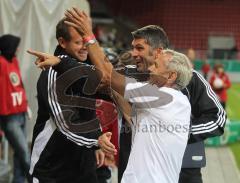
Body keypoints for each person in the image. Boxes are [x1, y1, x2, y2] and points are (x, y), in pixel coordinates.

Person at [28, 8, 193, 183]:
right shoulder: (170, 102)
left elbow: (108, 76)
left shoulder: (161, 97)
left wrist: (84, 40)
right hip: (53, 170)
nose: (151, 68)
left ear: (171, 76)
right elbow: (113, 92)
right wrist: (96, 139)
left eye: (157, 66)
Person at [28, 18, 114, 183]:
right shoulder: (52, 74)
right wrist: (96, 139)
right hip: (52, 169)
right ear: (62, 42)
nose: (84, 47)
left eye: (86, 42)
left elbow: (89, 111)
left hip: (83, 166)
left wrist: (95, 145)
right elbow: (66, 124)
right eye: (78, 42)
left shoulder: (85, 68)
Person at [0, 34, 31, 183]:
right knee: (25, 153)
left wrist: (26, 103)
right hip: (9, 116)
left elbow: (19, 84)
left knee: (19, 154)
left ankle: (18, 181)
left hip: (22, 112)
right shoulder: (1, 63)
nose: (18, 48)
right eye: (16, 45)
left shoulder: (14, 61)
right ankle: (36, 179)